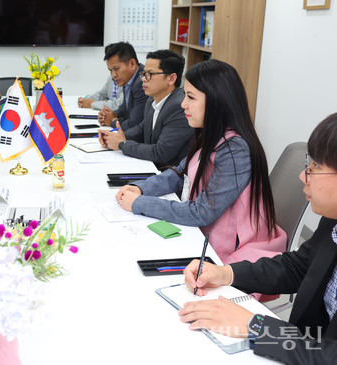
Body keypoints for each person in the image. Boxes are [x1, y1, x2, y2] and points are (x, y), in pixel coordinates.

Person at [179, 113, 337, 364]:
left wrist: (256, 326)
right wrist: (226, 273)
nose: (303, 176)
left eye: (315, 167)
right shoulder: (333, 218)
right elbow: (299, 267)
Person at [116, 59, 286, 265]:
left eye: (191, 97)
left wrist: (139, 203)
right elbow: (180, 173)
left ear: (216, 101)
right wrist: (140, 189)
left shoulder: (234, 150)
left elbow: (201, 213)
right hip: (202, 235)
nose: (183, 104)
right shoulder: (210, 134)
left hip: (228, 255)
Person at [98, 49, 194, 169]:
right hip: (150, 167)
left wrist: (122, 144)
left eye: (150, 74)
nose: (144, 79)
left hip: (170, 176)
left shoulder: (180, 107)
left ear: (171, 79)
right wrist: (114, 137)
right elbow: (142, 129)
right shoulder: (152, 100)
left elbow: (161, 153)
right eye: (143, 74)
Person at [97, 42, 147, 131]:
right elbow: (125, 109)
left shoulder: (142, 82)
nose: (113, 75)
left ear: (132, 63)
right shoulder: (128, 79)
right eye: (110, 70)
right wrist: (109, 115)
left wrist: (112, 120)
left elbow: (135, 124)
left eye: (116, 69)